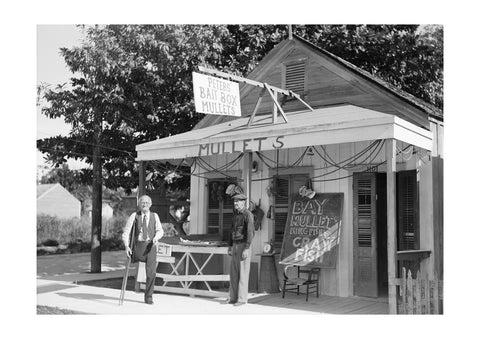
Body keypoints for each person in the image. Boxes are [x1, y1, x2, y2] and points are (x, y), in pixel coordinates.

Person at [122, 195, 164, 305]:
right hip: (138, 247)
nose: (144, 204)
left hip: (150, 246)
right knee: (129, 266)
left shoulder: (155, 216)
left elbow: (160, 231)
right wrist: (127, 246)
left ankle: (148, 297)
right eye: (142, 203)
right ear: (139, 204)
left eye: (146, 203)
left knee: (151, 273)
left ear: (150, 204)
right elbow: (126, 233)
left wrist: (156, 238)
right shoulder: (134, 216)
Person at [223, 193, 255, 306]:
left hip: (243, 245)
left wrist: (247, 248)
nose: (235, 203)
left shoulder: (248, 215)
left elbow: (251, 233)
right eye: (234, 201)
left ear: (243, 202)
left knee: (243, 273)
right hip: (235, 245)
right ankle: (232, 297)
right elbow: (231, 230)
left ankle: (242, 299)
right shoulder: (235, 215)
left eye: (238, 201)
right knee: (234, 272)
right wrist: (230, 245)